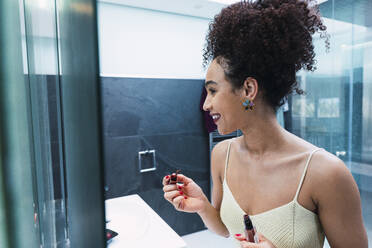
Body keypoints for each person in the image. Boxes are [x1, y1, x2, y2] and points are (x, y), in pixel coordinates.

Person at [162, 0, 368, 247]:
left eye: (213, 91)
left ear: (248, 89)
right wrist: (203, 207)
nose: (206, 105)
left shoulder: (325, 173)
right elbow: (226, 229)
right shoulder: (222, 155)